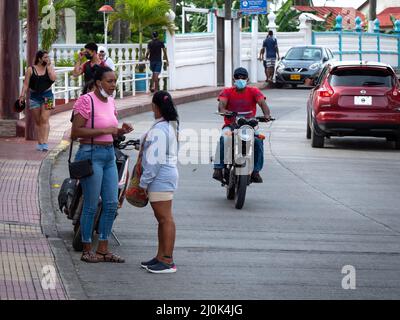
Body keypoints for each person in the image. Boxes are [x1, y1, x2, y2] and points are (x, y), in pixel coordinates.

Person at [71, 66, 133, 263]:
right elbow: (76, 132)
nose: (113, 85)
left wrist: (120, 131)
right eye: (110, 81)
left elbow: (110, 130)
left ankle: (103, 249)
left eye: (115, 81)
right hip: (91, 154)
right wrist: (105, 130)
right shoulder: (86, 100)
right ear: (98, 82)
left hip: (108, 155)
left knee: (112, 203)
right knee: (91, 204)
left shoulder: (112, 102)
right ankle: (87, 248)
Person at [138, 90, 179, 274]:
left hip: (160, 178)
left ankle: (168, 260)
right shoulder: (165, 125)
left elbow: (154, 161)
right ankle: (160, 256)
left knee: (165, 219)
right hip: (163, 177)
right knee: (162, 220)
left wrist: (143, 184)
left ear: (155, 106)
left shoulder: (161, 129)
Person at [213, 67, 272, 183]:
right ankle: (218, 168)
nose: (240, 79)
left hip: (249, 126)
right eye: (238, 77)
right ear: (233, 78)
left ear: (247, 79)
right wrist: (225, 112)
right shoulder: (227, 92)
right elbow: (221, 106)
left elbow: (262, 103)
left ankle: (256, 171)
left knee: (258, 142)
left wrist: (267, 115)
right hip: (231, 126)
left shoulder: (254, 91)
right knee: (224, 139)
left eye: (243, 77)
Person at [19, 50, 56, 152]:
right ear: (39, 59)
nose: (47, 59)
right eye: (45, 57)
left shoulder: (49, 67)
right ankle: (40, 142)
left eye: (48, 57)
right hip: (34, 97)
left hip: (48, 96)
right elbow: (26, 84)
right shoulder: (31, 69)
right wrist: (22, 96)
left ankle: (45, 142)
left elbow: (53, 79)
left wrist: (49, 67)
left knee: (45, 119)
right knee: (38, 121)